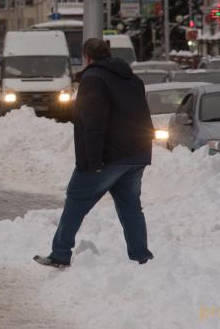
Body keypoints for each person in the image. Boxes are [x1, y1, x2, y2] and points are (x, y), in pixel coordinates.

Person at [34, 38, 155, 268]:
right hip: (136, 154)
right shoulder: (132, 78)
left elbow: (94, 123)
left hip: (109, 156)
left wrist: (92, 160)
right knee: (130, 206)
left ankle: (60, 253)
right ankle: (141, 257)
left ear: (87, 57)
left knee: (76, 198)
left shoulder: (93, 79)